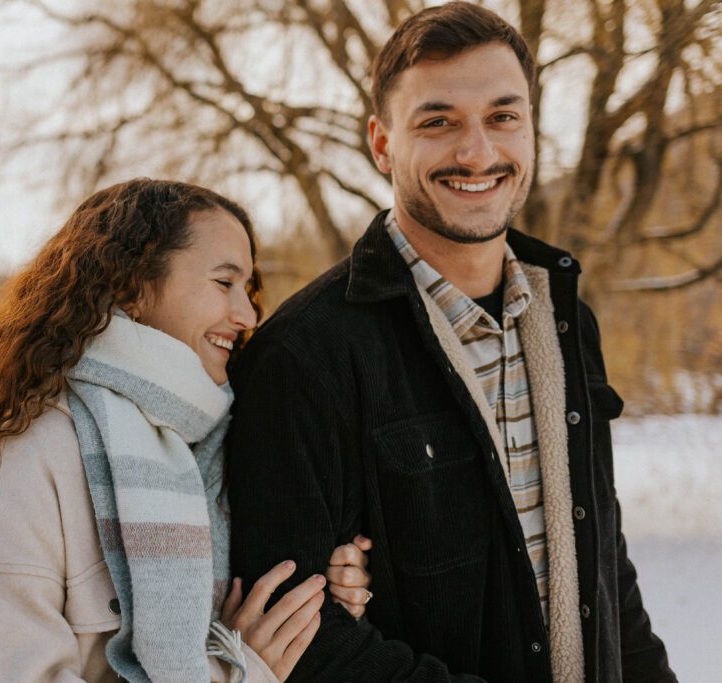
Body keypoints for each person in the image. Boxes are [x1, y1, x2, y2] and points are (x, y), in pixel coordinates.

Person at [226, 3, 675, 682]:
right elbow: (300, 639)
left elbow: (600, 559)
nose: (477, 153)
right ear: (381, 144)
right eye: (438, 122)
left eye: (502, 117)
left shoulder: (564, 318)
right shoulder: (304, 355)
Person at [0, 178, 373, 682]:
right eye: (223, 283)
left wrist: (322, 593)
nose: (248, 313)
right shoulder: (42, 450)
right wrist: (238, 674)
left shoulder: (215, 443)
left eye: (248, 287)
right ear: (134, 289)